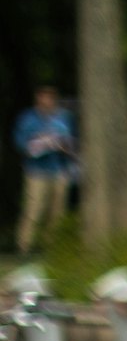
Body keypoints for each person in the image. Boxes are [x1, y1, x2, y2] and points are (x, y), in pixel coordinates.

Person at [14, 87, 74, 255]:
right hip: (36, 170)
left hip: (59, 168)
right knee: (34, 208)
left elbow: (70, 140)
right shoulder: (28, 119)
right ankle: (24, 245)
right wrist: (38, 143)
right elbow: (20, 142)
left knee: (57, 211)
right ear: (38, 99)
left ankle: (52, 246)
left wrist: (63, 145)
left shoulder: (62, 118)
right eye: (44, 98)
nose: (47, 102)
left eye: (50, 98)